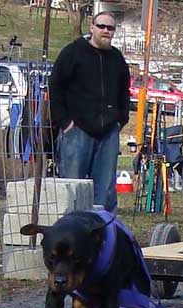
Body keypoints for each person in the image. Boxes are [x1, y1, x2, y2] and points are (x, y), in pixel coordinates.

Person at [49, 11, 131, 213]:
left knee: (104, 192)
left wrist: (121, 120)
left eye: (110, 28)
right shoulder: (73, 53)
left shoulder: (117, 59)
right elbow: (55, 85)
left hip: (108, 133)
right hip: (77, 131)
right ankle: (71, 234)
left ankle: (103, 235)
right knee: (71, 189)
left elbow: (124, 91)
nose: (105, 31)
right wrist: (64, 121)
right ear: (92, 27)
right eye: (101, 26)